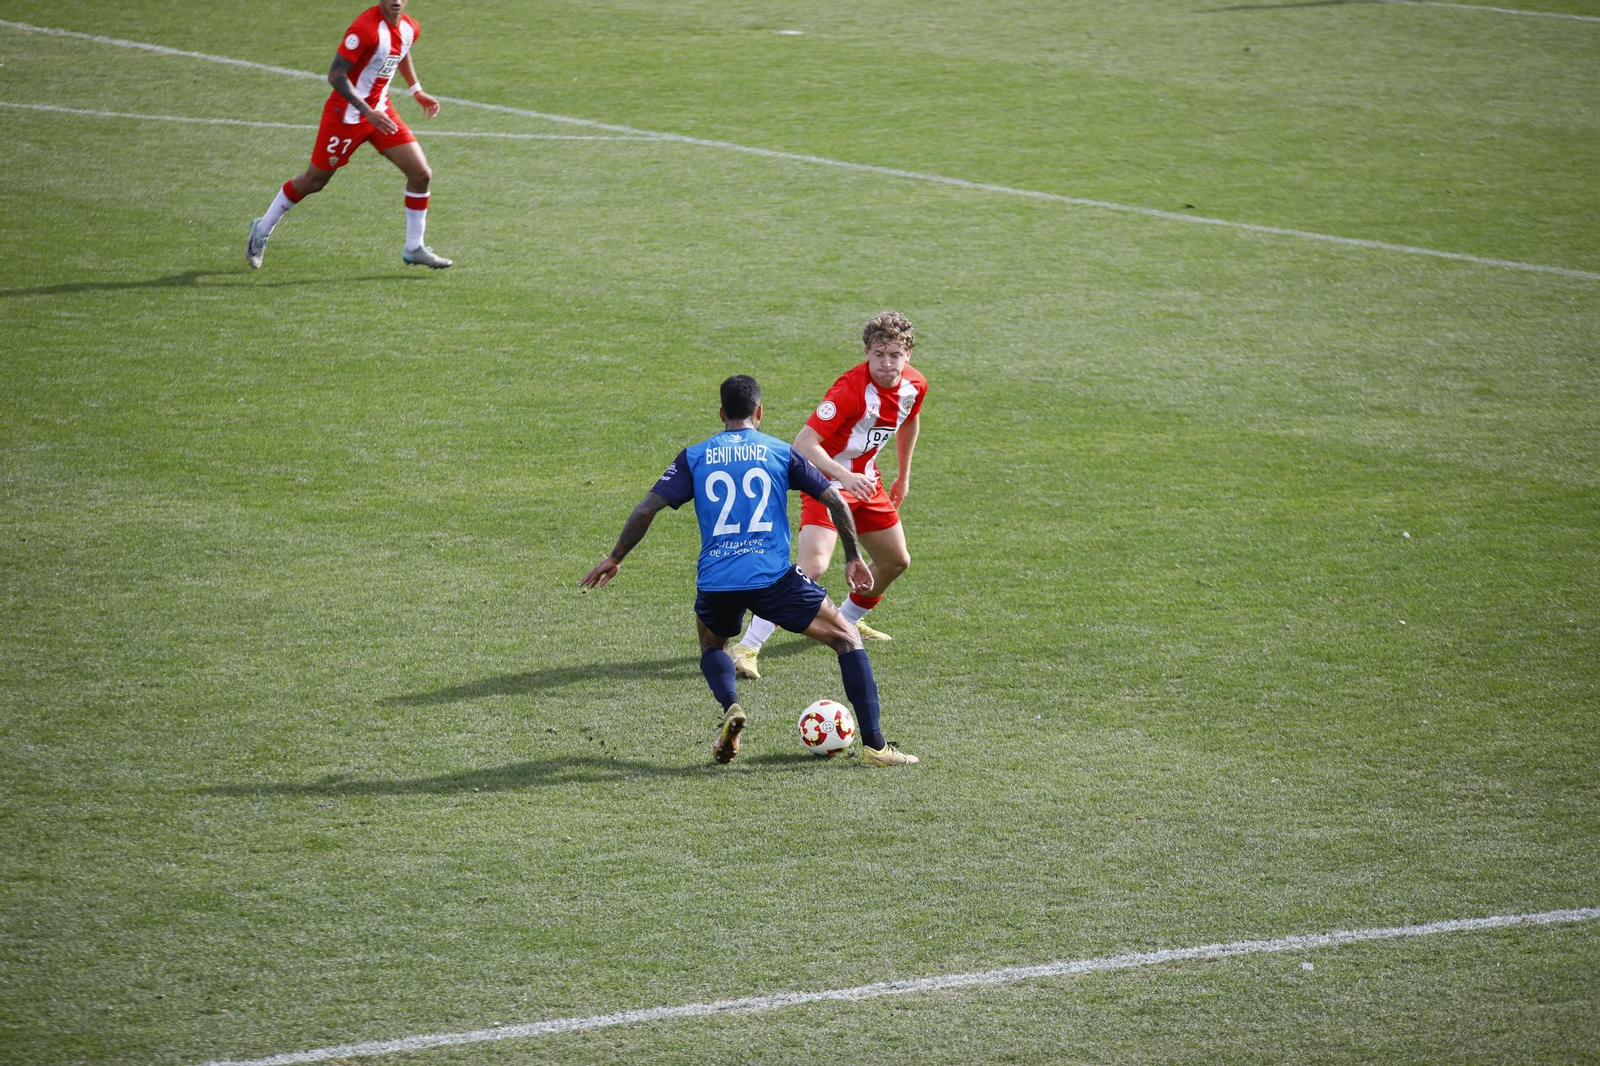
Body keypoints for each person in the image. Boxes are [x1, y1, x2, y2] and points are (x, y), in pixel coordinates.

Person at [579, 375, 918, 767]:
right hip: (773, 579)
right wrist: (853, 556)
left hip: (716, 580)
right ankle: (876, 747)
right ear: (759, 412)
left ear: (722, 414)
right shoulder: (778, 452)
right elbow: (836, 502)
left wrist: (615, 557)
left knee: (712, 645)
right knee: (845, 637)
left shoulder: (695, 456)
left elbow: (646, 509)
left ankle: (731, 706)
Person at [729, 310, 927, 681]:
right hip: (826, 480)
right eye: (879, 354)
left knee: (896, 560)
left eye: (895, 355)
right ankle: (747, 645)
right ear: (866, 351)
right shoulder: (849, 391)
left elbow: (910, 419)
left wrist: (904, 473)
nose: (887, 363)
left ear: (908, 355)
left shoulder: (915, 386)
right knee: (814, 566)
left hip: (866, 483)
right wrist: (843, 476)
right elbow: (803, 445)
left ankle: (849, 620)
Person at [246, 0, 452, 270]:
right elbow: (335, 74)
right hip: (345, 118)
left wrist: (416, 90)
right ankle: (261, 229)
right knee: (314, 181)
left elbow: (402, 51)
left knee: (421, 174)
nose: (396, 1)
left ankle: (414, 247)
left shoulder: (410, 27)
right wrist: (366, 111)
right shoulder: (364, 29)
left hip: (380, 112)